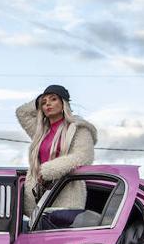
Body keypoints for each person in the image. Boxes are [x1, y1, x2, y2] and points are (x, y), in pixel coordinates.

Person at [14, 84, 97, 217]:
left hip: (67, 196)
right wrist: (38, 101)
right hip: (40, 198)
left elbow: (83, 156)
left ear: (64, 103)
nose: (48, 104)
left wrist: (49, 170)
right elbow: (22, 113)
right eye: (44, 102)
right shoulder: (41, 131)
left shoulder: (78, 128)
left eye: (53, 99)